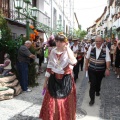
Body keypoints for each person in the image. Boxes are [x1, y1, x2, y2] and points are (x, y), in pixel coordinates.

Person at [39, 33, 77, 120]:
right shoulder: (53, 51)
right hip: (53, 79)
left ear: (65, 42)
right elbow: (49, 67)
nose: (58, 43)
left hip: (65, 80)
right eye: (57, 41)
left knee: (64, 102)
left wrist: (67, 48)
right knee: (51, 102)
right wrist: (45, 82)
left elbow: (73, 62)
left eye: (61, 41)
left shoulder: (68, 52)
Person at [85, 36, 110, 106]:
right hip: (92, 69)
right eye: (96, 41)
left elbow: (107, 59)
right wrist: (86, 66)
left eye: (99, 41)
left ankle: (98, 90)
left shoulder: (105, 48)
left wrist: (107, 69)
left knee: (98, 83)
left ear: (102, 41)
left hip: (100, 70)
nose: (98, 43)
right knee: (92, 84)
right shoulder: (91, 47)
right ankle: (92, 99)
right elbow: (87, 57)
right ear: (95, 41)